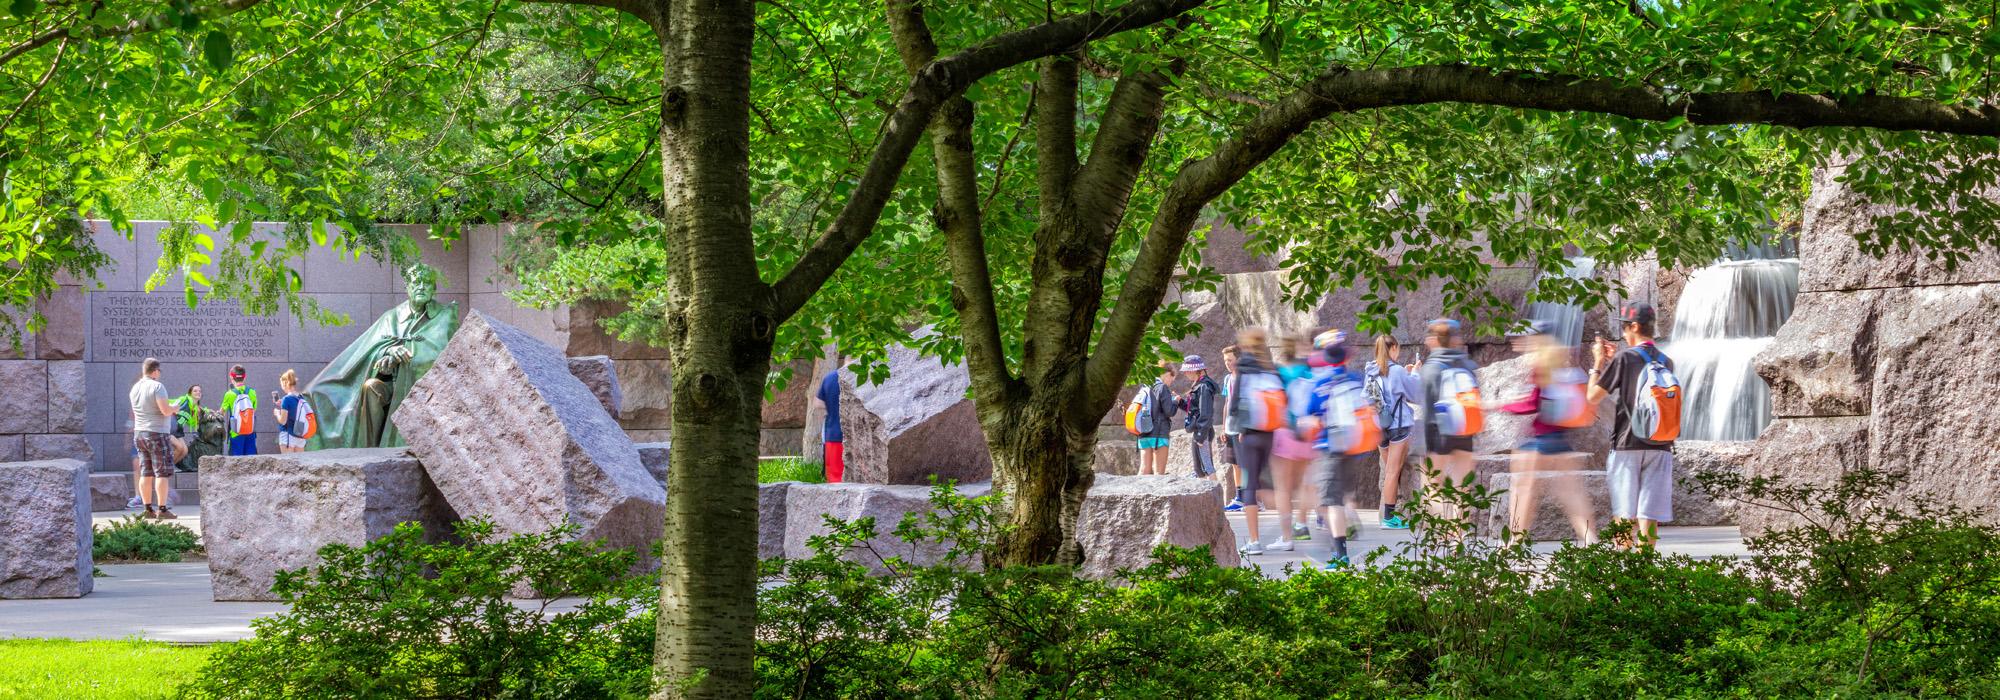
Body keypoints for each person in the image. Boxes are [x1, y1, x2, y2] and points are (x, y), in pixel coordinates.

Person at [305, 263, 460, 449]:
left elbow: (441, 352)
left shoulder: (445, 316)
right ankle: (369, 452)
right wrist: (386, 354)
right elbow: (369, 351)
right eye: (416, 282)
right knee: (369, 388)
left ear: (434, 288)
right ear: (407, 287)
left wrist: (406, 356)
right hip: (389, 384)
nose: (421, 286)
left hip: (424, 388)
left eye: (427, 283)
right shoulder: (391, 317)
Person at [1588, 301, 1679, 549]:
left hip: (1627, 444)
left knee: (1624, 513)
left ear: (1635, 326)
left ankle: (1623, 570)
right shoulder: (1666, 361)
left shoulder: (1625, 358)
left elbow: (1592, 397)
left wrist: (1598, 363)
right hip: (1660, 444)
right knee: (1648, 515)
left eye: (1626, 328)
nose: (1624, 333)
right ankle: (1644, 570)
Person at [1497, 321, 1597, 543]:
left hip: (1540, 441)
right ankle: (1591, 540)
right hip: (1562, 440)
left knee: (1523, 491)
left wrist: (1500, 406)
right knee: (1572, 494)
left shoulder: (1542, 363)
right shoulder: (1564, 361)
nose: (1517, 341)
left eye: (1522, 337)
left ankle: (1514, 542)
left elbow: (1533, 403)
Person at [1300, 342, 1373, 569]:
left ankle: (1340, 554)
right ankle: (1346, 521)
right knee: (1340, 497)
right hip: (1354, 447)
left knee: (1330, 502)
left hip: (1329, 448)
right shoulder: (1356, 379)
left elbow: (1309, 418)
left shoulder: (1321, 384)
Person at [1225, 327, 1284, 555]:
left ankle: (1255, 541)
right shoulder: (1272, 369)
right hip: (1270, 433)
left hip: (1249, 435)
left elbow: (1236, 402)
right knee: (1271, 485)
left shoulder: (1244, 368)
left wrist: (1238, 428)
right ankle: (1287, 533)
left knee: (1249, 486)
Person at [1418, 319, 1482, 527]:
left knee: (1432, 486)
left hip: (1439, 432)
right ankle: (1459, 537)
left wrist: (1423, 445)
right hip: (1464, 432)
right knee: (1462, 488)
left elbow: (1427, 408)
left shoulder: (1431, 368)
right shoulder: (1467, 365)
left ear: (1433, 340)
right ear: (1455, 340)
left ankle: (1446, 532)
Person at [1365, 335, 1423, 530]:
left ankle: (1386, 514)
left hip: (1379, 426)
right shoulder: (1397, 371)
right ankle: (1389, 518)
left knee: (1389, 469)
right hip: (1398, 425)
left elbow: (1367, 398)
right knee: (1392, 471)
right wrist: (1414, 373)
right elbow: (1415, 394)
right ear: (1394, 348)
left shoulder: (1370, 370)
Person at [1267, 334, 1316, 550]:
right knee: (1304, 482)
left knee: (1282, 488)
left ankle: (1287, 538)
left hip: (1285, 431)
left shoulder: (1279, 373)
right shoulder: (1307, 371)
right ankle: (1302, 523)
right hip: (1307, 431)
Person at [128, 358, 179, 520]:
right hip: (157, 433)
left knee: (145, 472)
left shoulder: (135, 388)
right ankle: (162, 510)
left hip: (140, 433)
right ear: (155, 371)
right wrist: (175, 407)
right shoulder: (157, 386)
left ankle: (147, 508)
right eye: (159, 371)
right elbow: (165, 411)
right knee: (161, 473)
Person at [1180, 355, 1220, 485]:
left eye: (1188, 370)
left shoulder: (1204, 386)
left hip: (1203, 431)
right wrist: (1180, 402)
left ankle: (1216, 501)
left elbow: (1206, 413)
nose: (1185, 373)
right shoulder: (1199, 385)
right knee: (1199, 469)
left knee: (1207, 467)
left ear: (1197, 370)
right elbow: (1194, 409)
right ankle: (1206, 499)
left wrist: (1200, 435)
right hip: (1200, 430)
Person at [1135, 361, 1178, 476]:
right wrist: (1175, 401)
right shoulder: (1162, 388)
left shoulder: (1146, 386)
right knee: (1159, 473)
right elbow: (1169, 411)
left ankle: (1137, 493)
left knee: (1144, 470)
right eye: (1171, 379)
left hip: (1143, 433)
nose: (1170, 383)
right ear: (1168, 373)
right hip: (1159, 434)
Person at [1219, 346, 1245, 512]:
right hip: (1230, 427)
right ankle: (1240, 497)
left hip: (1242, 427)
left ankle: (1252, 498)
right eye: (1225, 361)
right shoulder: (1228, 378)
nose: (1227, 364)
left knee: (1246, 464)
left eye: (1230, 360)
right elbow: (1227, 402)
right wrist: (1223, 427)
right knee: (1235, 464)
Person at [815, 368, 845, 483]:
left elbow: (817, 403)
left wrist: (831, 408)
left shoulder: (830, 378)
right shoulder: (867, 376)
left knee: (835, 480)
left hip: (833, 434)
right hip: (860, 438)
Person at [220, 365, 258, 456]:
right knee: (251, 461)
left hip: (235, 432)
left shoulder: (229, 394)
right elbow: (254, 410)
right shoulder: (252, 392)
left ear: (231, 377)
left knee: (236, 462)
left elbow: (222, 412)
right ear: (244, 377)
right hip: (250, 431)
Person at [274, 369, 311, 454]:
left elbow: (283, 421)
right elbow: (295, 412)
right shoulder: (300, 397)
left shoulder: (286, 399)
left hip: (288, 435)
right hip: (300, 435)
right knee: (300, 464)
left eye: (281, 384)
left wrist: (277, 414)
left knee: (287, 464)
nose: (281, 387)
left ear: (285, 383)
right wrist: (282, 405)